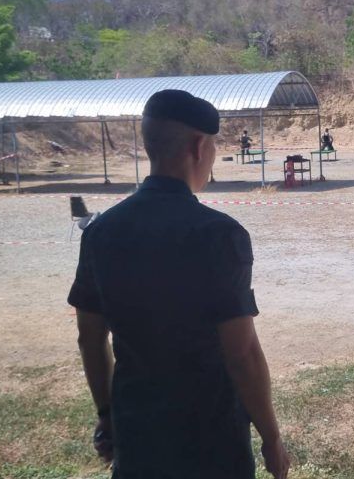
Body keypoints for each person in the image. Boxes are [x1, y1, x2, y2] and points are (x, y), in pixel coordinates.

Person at [69, 89, 290, 479]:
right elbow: (241, 353)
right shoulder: (219, 235)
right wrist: (271, 438)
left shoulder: (100, 232)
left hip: (137, 436)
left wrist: (106, 414)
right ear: (199, 146)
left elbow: (90, 338)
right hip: (212, 438)